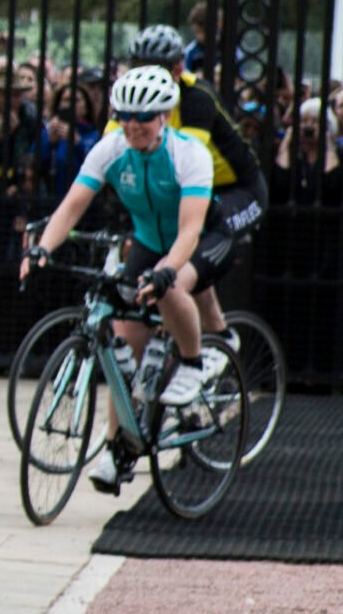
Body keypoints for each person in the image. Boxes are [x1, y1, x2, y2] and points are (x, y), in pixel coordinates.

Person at [21, 67, 219, 493]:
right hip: (148, 240)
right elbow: (72, 205)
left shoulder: (190, 154)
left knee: (173, 286)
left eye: (143, 117)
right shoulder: (112, 148)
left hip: (202, 238)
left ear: (164, 116)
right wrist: (42, 249)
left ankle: (192, 361)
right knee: (124, 345)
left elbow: (189, 231)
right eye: (125, 115)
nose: (133, 125)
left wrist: (167, 271)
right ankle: (118, 450)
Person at [127, 24, 266, 355]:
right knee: (175, 248)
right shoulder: (134, 100)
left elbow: (188, 167)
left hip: (238, 191)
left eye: (155, 69)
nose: (145, 77)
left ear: (178, 69)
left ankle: (194, 353)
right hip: (195, 191)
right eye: (138, 69)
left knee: (177, 273)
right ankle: (219, 331)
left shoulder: (196, 98)